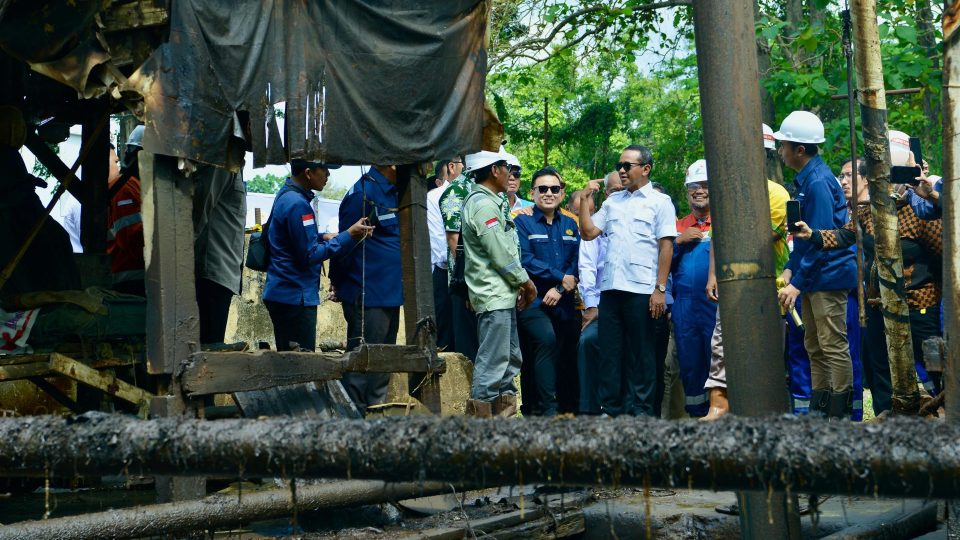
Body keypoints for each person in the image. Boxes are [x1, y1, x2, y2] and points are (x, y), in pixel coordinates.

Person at [795, 137, 943, 414]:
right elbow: (844, 234)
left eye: (892, 176)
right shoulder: (870, 209)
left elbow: (943, 258)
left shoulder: (923, 212)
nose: (886, 183)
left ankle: (940, 418)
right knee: (880, 367)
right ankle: (888, 421)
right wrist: (812, 234)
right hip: (879, 303)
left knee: (931, 366)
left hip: (919, 304)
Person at [578, 145, 677, 417]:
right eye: (619, 165)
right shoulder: (612, 202)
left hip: (642, 289)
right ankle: (611, 409)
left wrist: (660, 289)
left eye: (627, 166)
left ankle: (642, 411)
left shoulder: (660, 202)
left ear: (645, 169)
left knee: (642, 354)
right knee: (610, 352)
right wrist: (585, 200)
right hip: (611, 289)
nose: (621, 170)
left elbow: (666, 246)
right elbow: (588, 233)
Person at [703, 124, 791, 421]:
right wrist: (713, 274)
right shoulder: (726, 190)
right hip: (730, 280)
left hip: (767, 282)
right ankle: (719, 404)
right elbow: (718, 234)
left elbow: (767, 237)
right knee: (721, 342)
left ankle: (765, 406)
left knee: (766, 345)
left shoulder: (777, 193)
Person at [775, 110, 858, 419]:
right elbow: (803, 237)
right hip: (814, 276)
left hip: (829, 276)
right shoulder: (808, 180)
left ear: (799, 149)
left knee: (832, 345)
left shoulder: (819, 182)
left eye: (784, 145)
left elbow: (821, 240)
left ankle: (839, 414)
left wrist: (796, 283)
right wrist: (789, 271)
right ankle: (820, 411)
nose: (780, 151)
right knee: (814, 345)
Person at [263, 159, 371, 354]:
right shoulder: (298, 204)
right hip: (294, 297)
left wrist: (323, 236)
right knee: (301, 365)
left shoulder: (287, 195)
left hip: (285, 294)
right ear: (308, 173)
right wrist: (349, 235)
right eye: (324, 169)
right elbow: (310, 254)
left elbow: (296, 239)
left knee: (291, 361)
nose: (328, 175)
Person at [460, 149, 538, 417]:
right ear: (495, 170)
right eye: (508, 168)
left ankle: (502, 427)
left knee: (508, 363)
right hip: (493, 296)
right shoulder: (483, 204)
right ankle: (481, 432)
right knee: (493, 364)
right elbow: (500, 253)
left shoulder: (492, 201)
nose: (511, 174)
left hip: (502, 296)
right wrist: (526, 283)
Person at [330, 165, 402, 412]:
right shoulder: (362, 193)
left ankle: (375, 414)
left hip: (392, 293)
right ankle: (354, 417)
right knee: (363, 361)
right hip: (368, 292)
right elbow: (344, 243)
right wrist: (337, 282)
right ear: (391, 163)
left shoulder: (396, 192)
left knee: (383, 361)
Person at [514, 167, 580, 416]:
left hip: (563, 300)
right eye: (543, 189)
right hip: (532, 301)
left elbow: (577, 261)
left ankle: (567, 408)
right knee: (544, 342)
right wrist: (558, 278)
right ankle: (544, 409)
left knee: (565, 351)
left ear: (562, 193)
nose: (549, 193)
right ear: (532, 192)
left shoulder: (571, 224)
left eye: (554, 189)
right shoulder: (522, 221)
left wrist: (561, 287)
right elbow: (524, 258)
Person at [670, 160, 717, 418]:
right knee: (690, 361)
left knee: (717, 357)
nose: (699, 191)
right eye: (693, 186)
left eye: (706, 185)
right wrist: (679, 241)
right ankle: (696, 414)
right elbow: (662, 264)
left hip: (714, 302)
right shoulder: (677, 225)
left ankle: (720, 410)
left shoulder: (723, 222)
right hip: (684, 305)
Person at [576, 171, 621, 415]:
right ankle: (590, 408)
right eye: (613, 190)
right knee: (588, 341)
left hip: (631, 300)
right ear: (605, 194)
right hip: (601, 305)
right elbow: (587, 268)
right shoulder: (593, 224)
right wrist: (592, 306)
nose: (618, 194)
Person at [427, 158, 464, 352]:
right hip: (450, 272)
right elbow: (444, 241)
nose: (466, 168)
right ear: (451, 166)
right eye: (462, 163)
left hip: (450, 269)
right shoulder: (438, 196)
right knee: (450, 336)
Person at [107, 126, 146, 296]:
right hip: (130, 282)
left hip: (135, 279)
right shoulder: (126, 187)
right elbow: (134, 239)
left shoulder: (138, 187)